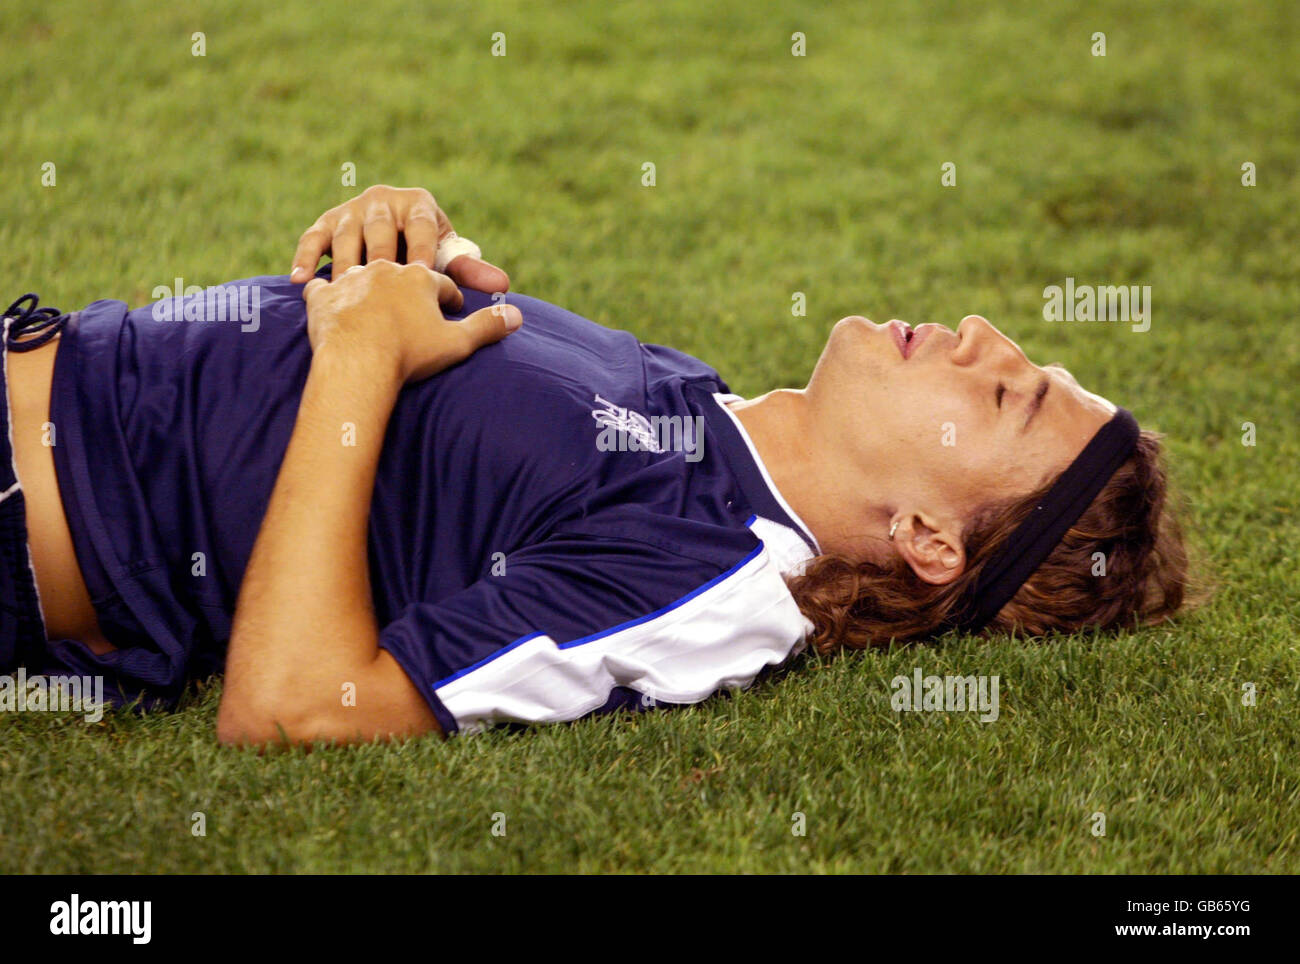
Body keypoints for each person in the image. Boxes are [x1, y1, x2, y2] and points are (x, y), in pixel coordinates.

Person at [0, 186, 1190, 745]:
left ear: (932, 540)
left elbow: (297, 705)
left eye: (1003, 391)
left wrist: (359, 356)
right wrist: (401, 235)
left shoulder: (711, 580)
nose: (982, 333)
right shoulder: (696, 400)